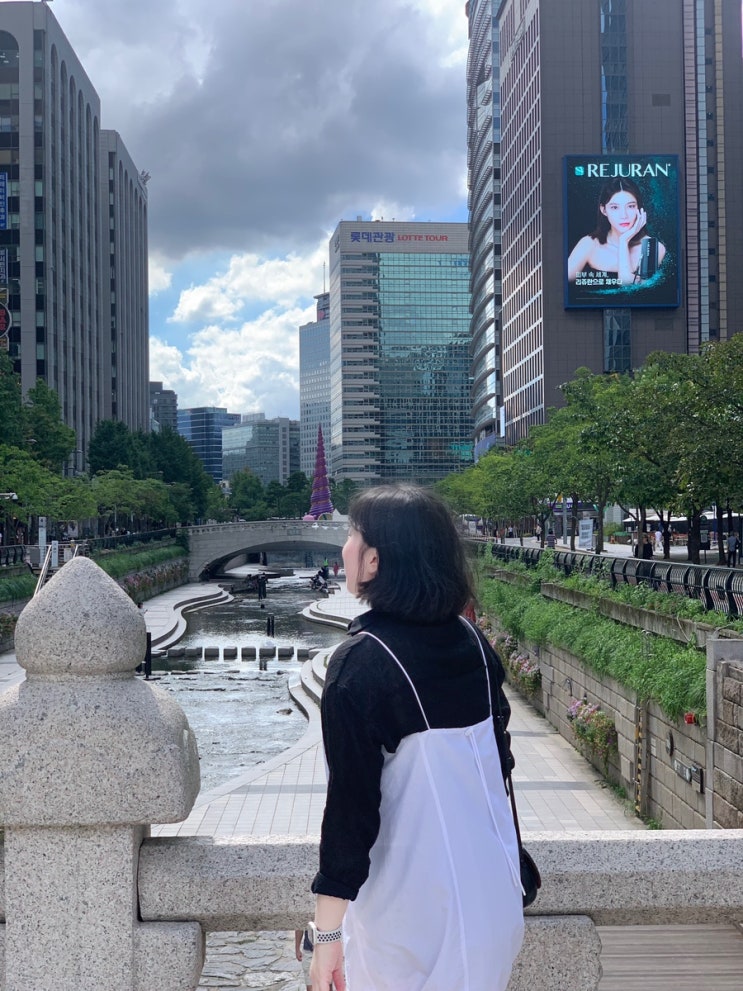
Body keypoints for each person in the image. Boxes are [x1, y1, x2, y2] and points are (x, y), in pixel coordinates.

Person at [309, 484, 524, 991]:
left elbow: (351, 813)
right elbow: (499, 763)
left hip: (414, 922)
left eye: (352, 535)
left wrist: (327, 935)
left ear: (374, 560)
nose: (344, 546)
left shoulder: (362, 663)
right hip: (494, 899)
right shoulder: (473, 642)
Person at [568, 177, 667, 286]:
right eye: (615, 207)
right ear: (604, 210)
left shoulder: (652, 247)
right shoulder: (589, 244)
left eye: (631, 206)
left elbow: (629, 289)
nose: (623, 215)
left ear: (639, 209)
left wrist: (623, 241)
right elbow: (560, 283)